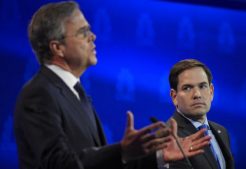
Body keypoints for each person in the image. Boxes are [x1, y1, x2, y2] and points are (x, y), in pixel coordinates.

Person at [13, 2, 211, 169]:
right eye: (83, 32)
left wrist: (158, 156)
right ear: (58, 47)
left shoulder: (75, 93)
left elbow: (101, 164)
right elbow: (57, 164)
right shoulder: (39, 94)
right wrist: (122, 150)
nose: (93, 37)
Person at [167, 59, 234, 169]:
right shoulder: (171, 138)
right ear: (174, 97)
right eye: (187, 88)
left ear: (211, 91)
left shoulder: (221, 131)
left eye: (202, 86)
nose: (197, 94)